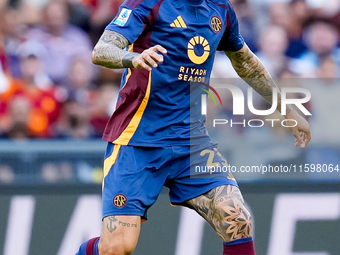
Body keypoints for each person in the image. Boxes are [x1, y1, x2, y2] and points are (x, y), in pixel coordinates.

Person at [77, 0, 311, 254]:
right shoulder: (147, 4)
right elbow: (101, 50)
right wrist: (134, 57)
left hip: (191, 143)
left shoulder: (220, 10)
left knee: (237, 219)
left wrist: (286, 110)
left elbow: (245, 62)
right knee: (117, 247)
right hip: (136, 142)